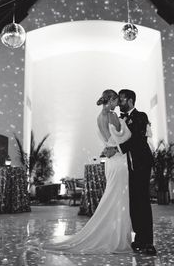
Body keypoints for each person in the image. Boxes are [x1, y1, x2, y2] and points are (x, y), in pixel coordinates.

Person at [45, 89, 132, 254]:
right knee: (118, 197)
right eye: (116, 100)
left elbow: (110, 141)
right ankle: (116, 235)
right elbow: (117, 139)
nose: (118, 103)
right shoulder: (111, 116)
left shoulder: (102, 117)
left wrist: (114, 143)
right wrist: (126, 125)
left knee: (116, 197)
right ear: (111, 100)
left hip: (113, 161)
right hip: (119, 160)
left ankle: (115, 233)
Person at [118, 89, 156, 256]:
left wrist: (118, 148)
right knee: (134, 202)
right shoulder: (120, 119)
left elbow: (138, 138)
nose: (120, 102)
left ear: (131, 101)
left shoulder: (141, 116)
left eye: (122, 99)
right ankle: (139, 238)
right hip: (128, 166)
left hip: (141, 164)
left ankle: (148, 242)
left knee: (142, 201)